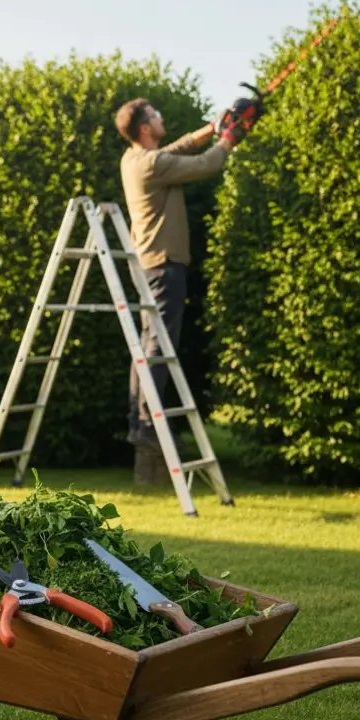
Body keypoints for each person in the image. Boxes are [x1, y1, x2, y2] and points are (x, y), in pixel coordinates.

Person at [114, 98, 243, 467]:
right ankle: (148, 425)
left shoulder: (136, 159)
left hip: (147, 265)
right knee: (158, 346)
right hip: (163, 265)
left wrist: (213, 127)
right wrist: (230, 138)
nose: (161, 117)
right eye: (155, 115)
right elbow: (206, 164)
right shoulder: (152, 164)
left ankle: (139, 423)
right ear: (143, 128)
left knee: (146, 347)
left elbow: (180, 149)